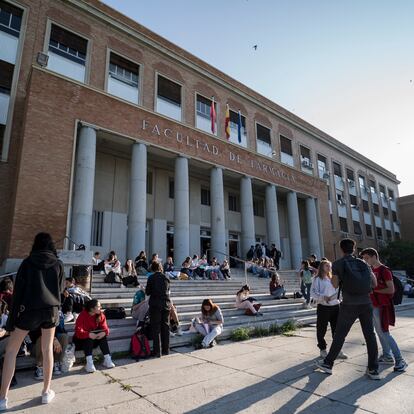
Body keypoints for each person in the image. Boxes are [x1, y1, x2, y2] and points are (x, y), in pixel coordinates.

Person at [0, 233, 65, 409]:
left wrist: (10, 323)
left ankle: (3, 398)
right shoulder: (58, 264)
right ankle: (45, 392)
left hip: (28, 310)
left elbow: (17, 294)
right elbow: (61, 290)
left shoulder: (27, 263)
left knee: (11, 351)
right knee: (47, 349)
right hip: (50, 310)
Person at [316, 238, 380, 380]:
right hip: (366, 303)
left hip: (349, 304)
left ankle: (328, 364)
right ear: (354, 249)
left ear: (341, 249)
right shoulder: (364, 263)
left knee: (340, 334)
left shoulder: (338, 264)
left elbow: (334, 285)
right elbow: (374, 283)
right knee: (370, 335)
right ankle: (373, 369)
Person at [361, 248, 408, 372]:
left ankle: (400, 360)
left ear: (374, 257)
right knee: (379, 332)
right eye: (364, 258)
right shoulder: (371, 270)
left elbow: (391, 289)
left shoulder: (384, 270)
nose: (365, 261)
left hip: (382, 305)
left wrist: (373, 290)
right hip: (373, 305)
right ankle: (387, 356)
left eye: (367, 258)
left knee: (385, 332)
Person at [311, 260, 347, 359]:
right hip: (323, 307)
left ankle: (338, 350)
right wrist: (323, 297)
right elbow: (313, 293)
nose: (329, 268)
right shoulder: (317, 279)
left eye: (330, 266)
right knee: (321, 329)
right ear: (322, 267)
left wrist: (340, 299)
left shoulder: (333, 278)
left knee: (337, 330)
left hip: (336, 306)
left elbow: (338, 291)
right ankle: (322, 349)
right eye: (327, 266)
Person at [73, 299, 115, 373]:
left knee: (103, 336)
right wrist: (88, 334)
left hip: (94, 339)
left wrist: (104, 332)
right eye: (98, 306)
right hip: (80, 341)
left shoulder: (100, 315)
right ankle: (89, 363)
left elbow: (105, 328)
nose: (101, 308)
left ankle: (107, 359)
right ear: (92, 308)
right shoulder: (83, 315)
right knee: (88, 338)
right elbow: (78, 331)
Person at [30, 311, 69, 380]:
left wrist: (57, 322)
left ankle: (56, 363)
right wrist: (53, 338)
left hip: (51, 347)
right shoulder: (35, 314)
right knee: (43, 338)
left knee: (64, 336)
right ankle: (40, 366)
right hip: (36, 347)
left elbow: (62, 330)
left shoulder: (56, 314)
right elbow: (34, 335)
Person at [145, 262, 171, 357]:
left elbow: (148, 292)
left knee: (156, 328)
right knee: (165, 327)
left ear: (152, 268)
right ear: (160, 268)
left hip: (155, 304)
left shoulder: (151, 278)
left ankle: (157, 351)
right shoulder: (166, 277)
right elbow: (168, 291)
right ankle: (166, 350)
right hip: (166, 304)